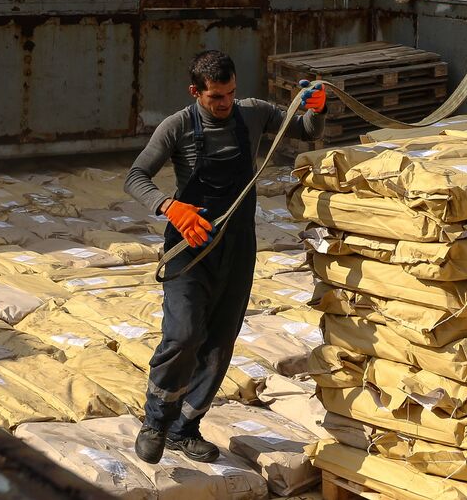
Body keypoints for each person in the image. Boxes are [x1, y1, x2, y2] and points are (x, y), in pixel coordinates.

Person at [124, 50, 325, 464]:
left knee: (218, 345)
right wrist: (168, 206)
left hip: (237, 248)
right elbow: (135, 177)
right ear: (195, 91)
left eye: (231, 93)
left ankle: (186, 428)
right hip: (190, 248)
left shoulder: (251, 114)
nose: (225, 103)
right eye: (216, 97)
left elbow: (305, 130)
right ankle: (156, 421)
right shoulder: (177, 126)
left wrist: (317, 108)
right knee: (183, 335)